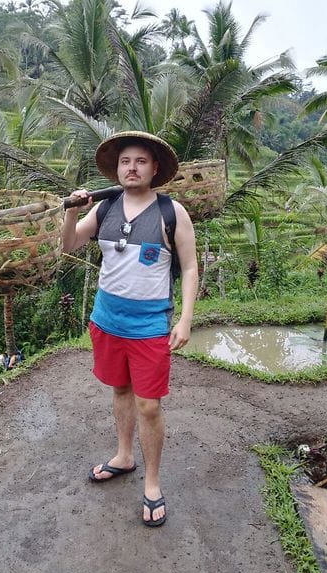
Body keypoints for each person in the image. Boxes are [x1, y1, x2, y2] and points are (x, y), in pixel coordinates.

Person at [60, 131, 199, 527]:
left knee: (149, 404)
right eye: (125, 161)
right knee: (120, 389)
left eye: (140, 161)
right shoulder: (105, 209)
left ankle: (152, 483)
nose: (132, 168)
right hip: (107, 320)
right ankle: (124, 456)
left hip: (149, 325)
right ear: (117, 169)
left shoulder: (172, 212)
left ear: (154, 169)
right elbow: (69, 245)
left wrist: (185, 319)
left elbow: (190, 268)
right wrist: (71, 211)